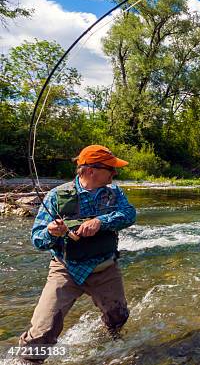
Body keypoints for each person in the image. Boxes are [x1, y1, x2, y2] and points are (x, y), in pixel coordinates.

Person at [18, 145, 136, 363]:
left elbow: (129, 215)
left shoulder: (115, 193)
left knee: (118, 317)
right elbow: (37, 239)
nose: (115, 173)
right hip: (65, 270)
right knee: (42, 332)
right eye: (111, 168)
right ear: (91, 170)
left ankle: (111, 343)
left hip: (105, 268)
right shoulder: (56, 196)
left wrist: (101, 221)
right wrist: (51, 232)